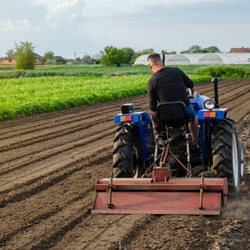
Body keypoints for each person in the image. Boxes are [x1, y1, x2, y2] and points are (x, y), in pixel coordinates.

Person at [147, 53, 198, 145]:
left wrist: (155, 124)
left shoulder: (151, 81)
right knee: (193, 117)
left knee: (158, 122)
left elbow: (153, 108)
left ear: (150, 66)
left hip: (165, 115)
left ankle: (164, 143)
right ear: (162, 62)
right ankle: (194, 141)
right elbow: (191, 85)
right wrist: (192, 94)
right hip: (184, 112)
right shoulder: (177, 71)